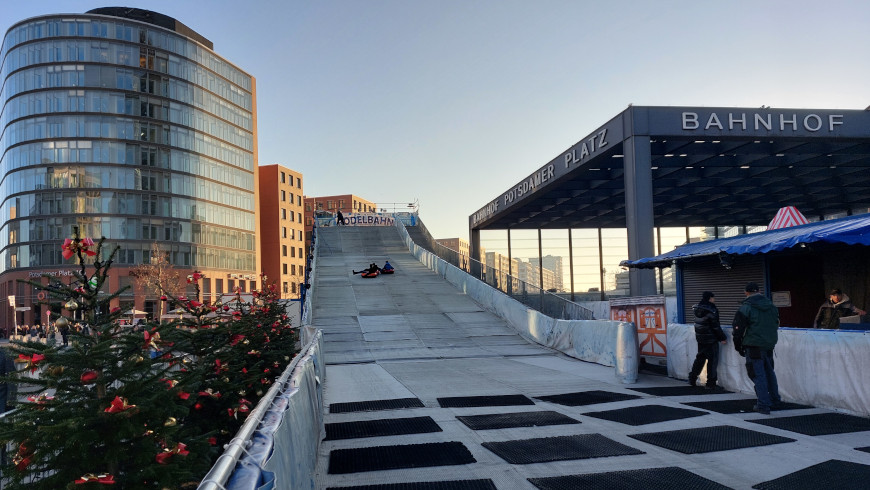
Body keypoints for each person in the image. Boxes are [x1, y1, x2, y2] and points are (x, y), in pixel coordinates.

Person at [732, 282, 782, 415]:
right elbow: (776, 323)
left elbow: (738, 330)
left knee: (757, 374)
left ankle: (763, 405)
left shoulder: (746, 308)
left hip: (753, 345)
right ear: (759, 291)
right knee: (769, 373)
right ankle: (775, 400)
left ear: (746, 293)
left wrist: (738, 346)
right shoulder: (772, 306)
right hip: (769, 344)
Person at [688, 291, 727, 389]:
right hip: (711, 339)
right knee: (712, 361)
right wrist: (722, 338)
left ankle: (692, 378)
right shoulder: (712, 310)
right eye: (713, 298)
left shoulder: (697, 309)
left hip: (701, 338)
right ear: (710, 298)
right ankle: (711, 383)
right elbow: (716, 327)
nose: (714, 300)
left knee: (700, 358)